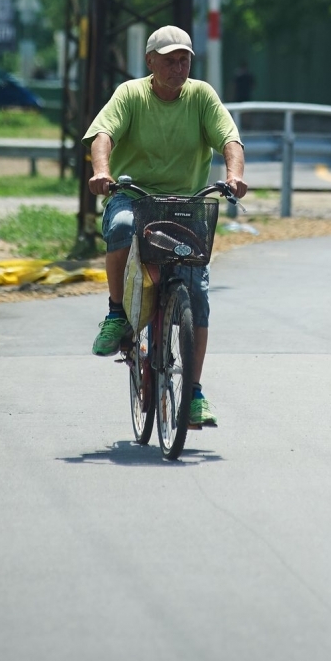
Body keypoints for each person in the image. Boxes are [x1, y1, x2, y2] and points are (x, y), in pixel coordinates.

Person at [83, 24, 247, 427]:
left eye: (184, 59)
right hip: (134, 194)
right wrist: (102, 171)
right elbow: (103, 134)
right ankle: (117, 312)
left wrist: (235, 175)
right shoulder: (131, 94)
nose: (178, 66)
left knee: (198, 295)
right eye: (170, 59)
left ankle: (193, 393)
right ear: (150, 62)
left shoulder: (201, 95)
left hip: (186, 204)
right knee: (120, 225)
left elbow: (230, 138)